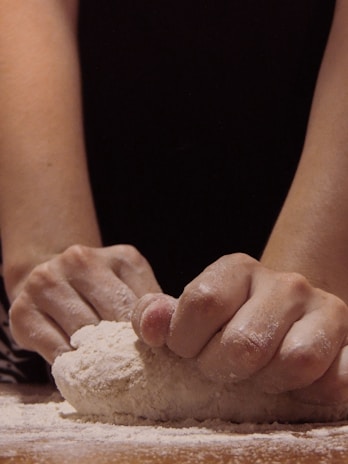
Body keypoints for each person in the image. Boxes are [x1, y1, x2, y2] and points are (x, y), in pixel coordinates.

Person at [0, 0, 347, 406]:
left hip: (329, 230)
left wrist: (296, 313)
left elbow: (293, 331)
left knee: (293, 355)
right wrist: (53, 259)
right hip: (87, 191)